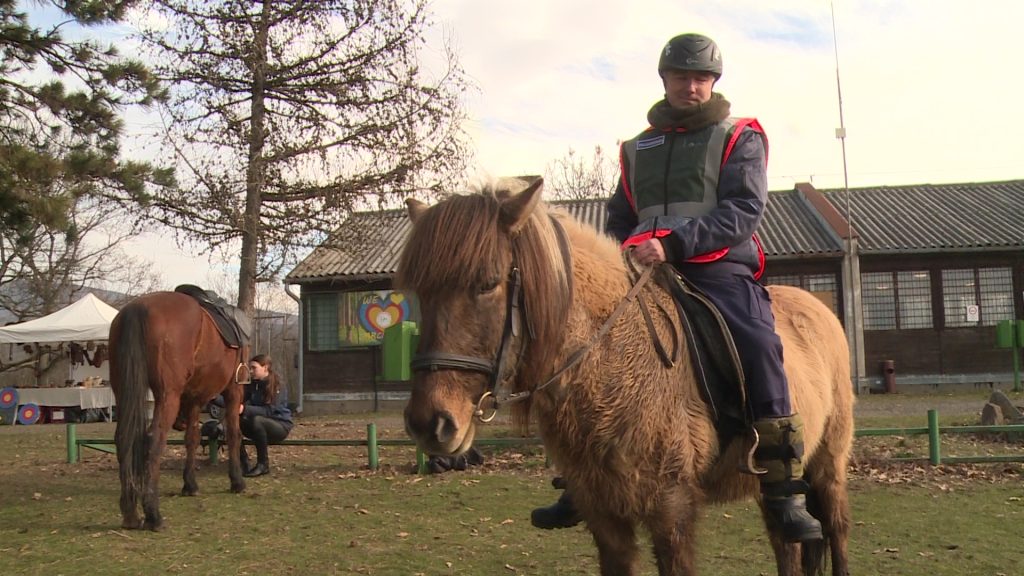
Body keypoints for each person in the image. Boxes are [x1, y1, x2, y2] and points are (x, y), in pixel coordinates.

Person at [531, 33, 823, 543]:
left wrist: (674, 242)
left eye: (701, 77)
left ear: (713, 82)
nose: (691, 85)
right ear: (664, 80)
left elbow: (743, 211)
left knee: (758, 344)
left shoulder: (741, 136)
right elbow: (620, 216)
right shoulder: (635, 148)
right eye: (682, 76)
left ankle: (783, 485)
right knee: (580, 344)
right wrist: (625, 251)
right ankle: (580, 480)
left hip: (717, 268)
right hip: (641, 271)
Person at [238, 354, 294, 477]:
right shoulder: (252, 385)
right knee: (232, 422)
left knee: (258, 420)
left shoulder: (277, 385)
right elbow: (237, 401)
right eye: (250, 368)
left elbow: (270, 411)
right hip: (257, 427)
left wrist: (244, 409)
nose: (251, 371)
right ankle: (243, 462)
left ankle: (263, 465)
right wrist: (213, 397)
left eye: (254, 368)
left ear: (265, 367)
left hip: (280, 426)